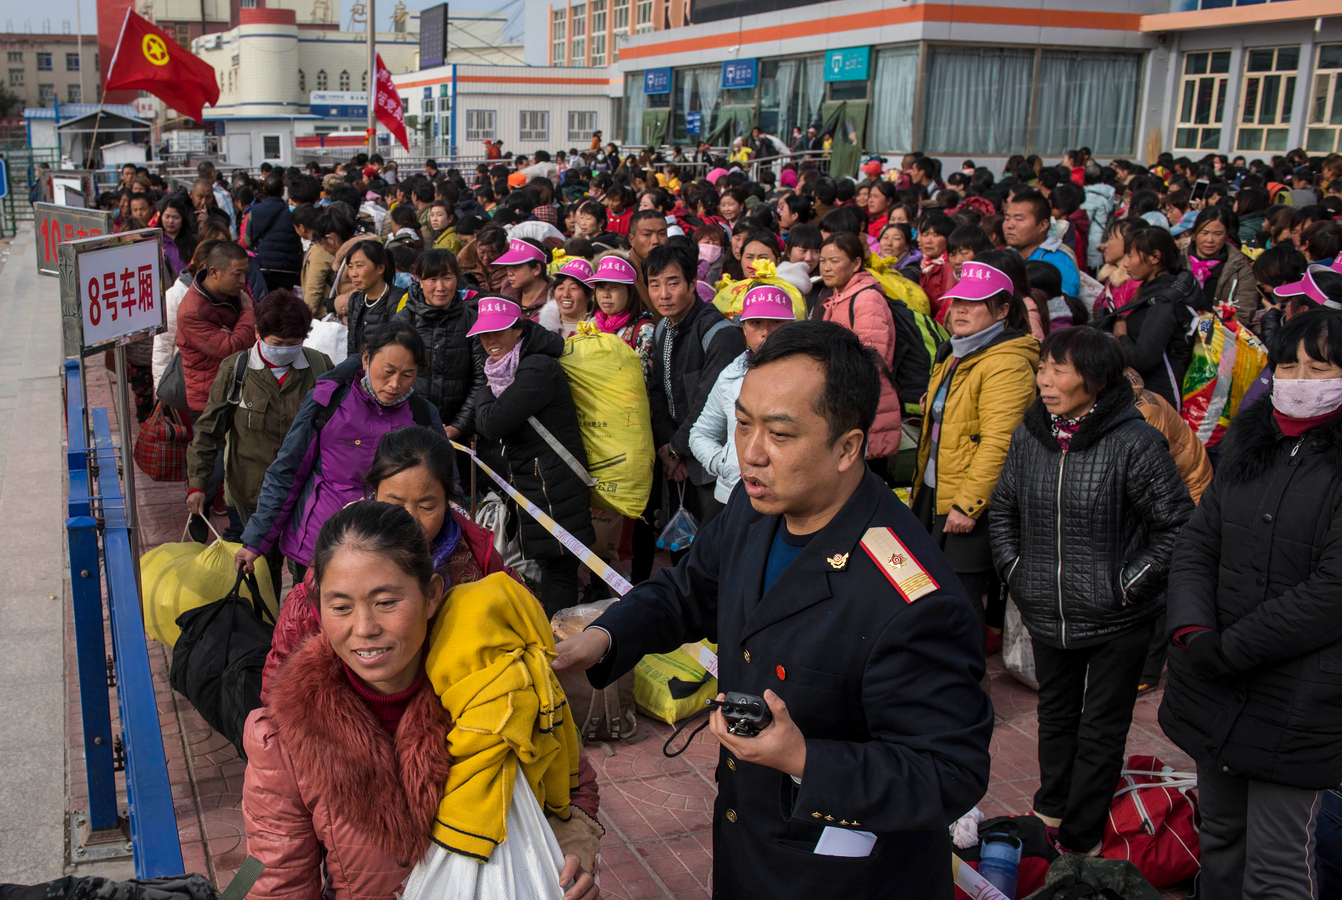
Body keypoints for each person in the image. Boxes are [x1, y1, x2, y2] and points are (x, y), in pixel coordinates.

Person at [552, 321, 993, 899]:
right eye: (741, 424)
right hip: (748, 845)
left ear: (848, 447)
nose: (750, 454)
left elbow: (948, 773)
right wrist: (604, 638)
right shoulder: (754, 507)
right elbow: (689, 591)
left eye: (780, 434)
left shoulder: (909, 596)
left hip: (845, 878)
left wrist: (806, 758)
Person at [242, 501, 601, 900]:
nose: (364, 629)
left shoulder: (492, 688)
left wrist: (573, 841)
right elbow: (278, 879)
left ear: (431, 595)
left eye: (386, 602)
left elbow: (571, 779)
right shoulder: (284, 740)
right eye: (340, 607)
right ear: (318, 607)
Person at [991, 315, 1191, 857]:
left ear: (1096, 381)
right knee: (1055, 716)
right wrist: (1017, 573)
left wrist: (1127, 587)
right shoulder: (1030, 436)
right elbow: (1003, 511)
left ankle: (1080, 836)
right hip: (1048, 610)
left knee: (1102, 728)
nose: (1045, 382)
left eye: (1059, 371)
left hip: (1117, 617)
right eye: (1043, 369)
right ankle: (1051, 809)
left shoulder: (1136, 442)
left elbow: (1176, 525)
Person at [1160, 308, 1342, 900]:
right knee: (1220, 843)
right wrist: (1192, 629)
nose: (1301, 378)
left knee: (1279, 865)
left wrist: (1230, 648)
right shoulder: (1252, 439)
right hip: (1216, 684)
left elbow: (1331, 591)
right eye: (1289, 364)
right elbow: (1198, 541)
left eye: (1321, 367)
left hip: (1302, 701)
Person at [237, 321, 443, 580]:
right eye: (387, 371)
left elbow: (440, 484)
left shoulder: (422, 415)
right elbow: (287, 472)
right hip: (320, 544)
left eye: (407, 375)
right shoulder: (328, 401)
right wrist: (255, 541)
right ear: (366, 360)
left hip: (387, 547)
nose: (394, 384)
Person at [911, 253, 1039, 638]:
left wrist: (967, 505)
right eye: (958, 301)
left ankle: (964, 688)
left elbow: (999, 442)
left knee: (961, 604)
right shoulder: (956, 350)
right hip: (936, 488)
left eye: (974, 303)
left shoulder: (1007, 362)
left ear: (1002, 310)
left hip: (969, 502)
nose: (960, 310)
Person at [186, 290, 331, 589]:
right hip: (253, 492)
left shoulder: (320, 367)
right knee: (262, 571)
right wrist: (198, 483)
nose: (286, 351)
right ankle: (267, 629)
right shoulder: (235, 371)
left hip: (308, 493)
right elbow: (208, 431)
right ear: (257, 333)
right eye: (278, 344)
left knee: (310, 575)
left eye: (294, 344)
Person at [469, 297, 595, 615]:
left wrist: (483, 389)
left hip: (552, 486)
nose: (491, 341)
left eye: (499, 331)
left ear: (519, 329)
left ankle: (562, 652)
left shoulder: (537, 368)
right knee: (555, 568)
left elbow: (491, 422)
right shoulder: (509, 368)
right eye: (484, 334)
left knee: (560, 570)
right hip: (538, 483)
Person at [645, 244, 746, 527]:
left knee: (712, 542)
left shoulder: (718, 333)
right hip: (675, 457)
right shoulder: (664, 326)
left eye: (673, 283)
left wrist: (677, 450)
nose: (663, 294)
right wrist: (668, 447)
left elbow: (709, 401)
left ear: (692, 284)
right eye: (655, 285)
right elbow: (658, 389)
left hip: (711, 463)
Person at [689, 284, 797, 504]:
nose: (766, 332)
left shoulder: (812, 377)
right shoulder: (730, 377)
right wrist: (724, 463)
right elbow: (700, 433)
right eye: (756, 323)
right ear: (744, 328)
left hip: (792, 498)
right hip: (734, 494)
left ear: (792, 325)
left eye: (776, 322)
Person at [812, 232, 902, 469]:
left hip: (867, 409)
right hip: (848, 405)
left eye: (835, 260)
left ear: (856, 263)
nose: (826, 268)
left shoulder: (866, 298)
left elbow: (871, 358)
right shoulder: (837, 296)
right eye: (823, 261)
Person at [1098, 225, 1197, 409]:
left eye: (1131, 255)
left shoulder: (1164, 302)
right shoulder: (1154, 292)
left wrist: (1121, 335)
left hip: (1159, 400)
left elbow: (1144, 360)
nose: (1126, 263)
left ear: (1155, 257)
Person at [394, 249, 488, 441]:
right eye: (432, 279)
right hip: (407, 428)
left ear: (457, 278)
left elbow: (480, 379)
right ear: (419, 281)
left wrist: (458, 426)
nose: (440, 287)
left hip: (458, 433)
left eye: (447, 278)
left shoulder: (472, 322)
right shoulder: (403, 322)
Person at [176, 241, 256, 417]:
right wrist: (248, 312)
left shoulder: (235, 292)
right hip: (209, 401)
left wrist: (238, 331)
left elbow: (258, 328)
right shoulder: (192, 311)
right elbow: (231, 349)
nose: (243, 281)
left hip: (238, 389)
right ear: (214, 272)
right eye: (237, 274)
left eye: (245, 274)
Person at [1184, 207, 1258, 326]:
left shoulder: (1239, 267)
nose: (1210, 240)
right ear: (1194, 234)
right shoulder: (1178, 260)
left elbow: (1244, 311)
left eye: (1218, 234)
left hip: (1220, 337)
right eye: (1204, 233)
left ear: (1226, 235)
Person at [590, 253, 655, 380]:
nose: (606, 295)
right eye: (601, 287)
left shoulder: (644, 331)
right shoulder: (590, 324)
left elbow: (644, 379)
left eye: (614, 287)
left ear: (630, 291)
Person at [1004, 191, 1081, 298]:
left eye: (1019, 219)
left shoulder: (1059, 263)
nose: (1009, 225)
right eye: (1007, 218)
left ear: (1043, 225)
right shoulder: (1009, 256)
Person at [344, 240, 406, 358]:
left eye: (359, 266)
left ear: (380, 268)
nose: (353, 273)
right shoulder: (356, 300)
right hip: (359, 368)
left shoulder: (397, 300)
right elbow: (352, 347)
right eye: (350, 267)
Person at [246, 173, 304, 292]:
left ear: (263, 189)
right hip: (288, 269)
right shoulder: (292, 213)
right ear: (283, 191)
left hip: (262, 267)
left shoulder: (254, 211)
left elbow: (248, 241)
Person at [492, 237, 551, 317]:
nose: (509, 273)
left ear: (537, 269)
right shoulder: (507, 290)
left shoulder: (554, 300)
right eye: (508, 267)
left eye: (516, 267)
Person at [540, 257, 595, 338]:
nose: (566, 294)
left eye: (574, 288)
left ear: (589, 295)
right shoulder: (540, 328)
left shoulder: (600, 332)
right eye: (561, 288)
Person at [159, 195, 196, 280]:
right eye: (167, 217)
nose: (170, 221)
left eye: (175, 217)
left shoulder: (193, 241)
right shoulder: (156, 241)